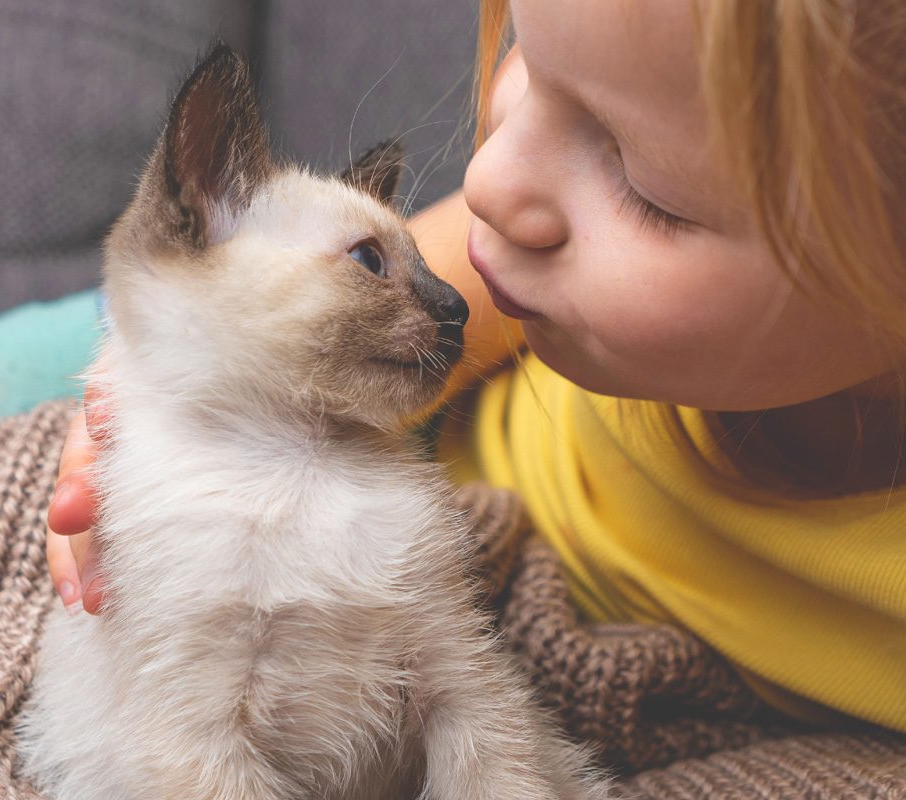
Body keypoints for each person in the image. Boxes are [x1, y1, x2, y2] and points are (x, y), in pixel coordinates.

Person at [47, 0, 906, 737]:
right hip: (246, 383)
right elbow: (418, 274)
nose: (491, 176)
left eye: (645, 185)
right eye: (528, 55)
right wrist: (158, 379)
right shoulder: (536, 249)